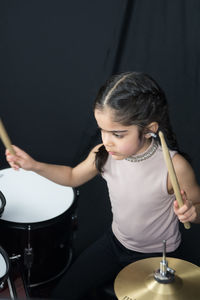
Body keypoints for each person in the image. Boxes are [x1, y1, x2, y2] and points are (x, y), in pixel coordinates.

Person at [6, 72, 200, 300]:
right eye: (102, 130)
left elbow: (197, 208)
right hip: (115, 243)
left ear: (149, 129)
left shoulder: (174, 167)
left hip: (157, 256)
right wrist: (34, 165)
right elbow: (71, 176)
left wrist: (192, 212)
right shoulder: (104, 154)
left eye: (117, 134)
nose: (107, 141)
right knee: (62, 295)